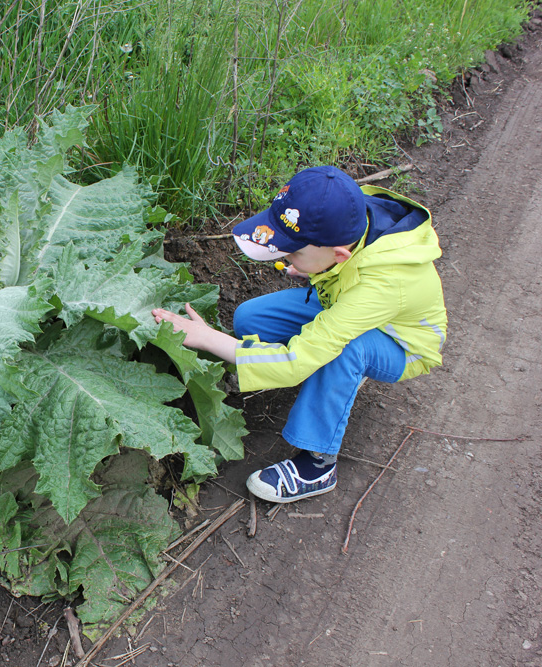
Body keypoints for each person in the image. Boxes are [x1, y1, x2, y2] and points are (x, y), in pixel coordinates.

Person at [152, 166, 447, 503]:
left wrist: (205, 338)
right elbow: (343, 263)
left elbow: (307, 349)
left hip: (400, 343)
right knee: (251, 317)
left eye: (292, 251)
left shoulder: (383, 283)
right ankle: (301, 370)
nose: (284, 256)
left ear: (339, 256)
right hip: (348, 302)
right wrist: (313, 266)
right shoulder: (349, 213)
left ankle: (318, 465)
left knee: (344, 349)